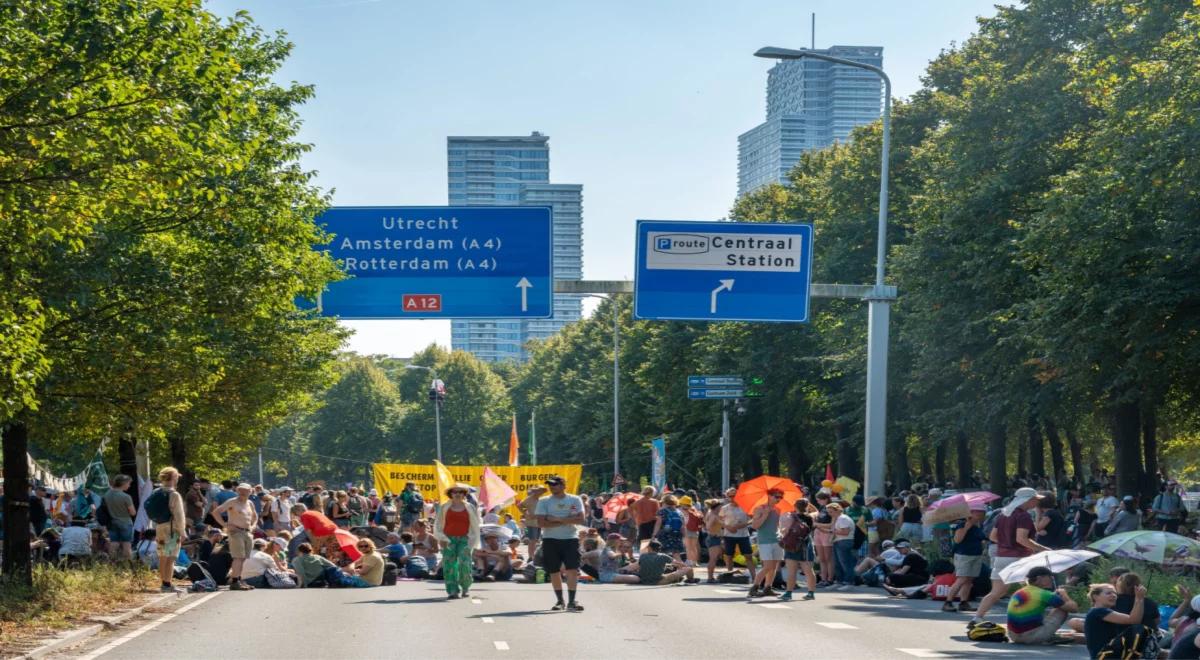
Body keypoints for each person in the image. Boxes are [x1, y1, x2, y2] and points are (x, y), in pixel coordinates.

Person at [972, 487, 1049, 626]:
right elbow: (1022, 539)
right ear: (1028, 500)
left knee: (996, 593)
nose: (1036, 503)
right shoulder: (1024, 516)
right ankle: (1031, 620)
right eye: (1035, 500)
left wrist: (1006, 543)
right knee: (1032, 590)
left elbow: (993, 536)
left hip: (1001, 557)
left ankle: (977, 618)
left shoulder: (1003, 514)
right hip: (1019, 558)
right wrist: (1043, 549)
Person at [535, 476, 586, 612]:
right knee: (554, 571)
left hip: (570, 538)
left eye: (555, 485)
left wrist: (556, 519)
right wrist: (568, 520)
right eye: (550, 485)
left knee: (572, 570)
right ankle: (559, 601)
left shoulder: (574, 499)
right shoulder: (543, 501)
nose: (552, 487)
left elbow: (581, 519)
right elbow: (541, 523)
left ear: (563, 486)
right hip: (550, 538)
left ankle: (571, 601)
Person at [1005, 566, 1079, 644]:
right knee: (1062, 609)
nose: (1052, 580)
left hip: (1013, 636)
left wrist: (1053, 596)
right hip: (1031, 637)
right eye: (1050, 577)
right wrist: (1064, 594)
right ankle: (1046, 636)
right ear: (1040, 578)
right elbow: (1074, 608)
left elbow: (1038, 599)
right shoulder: (1044, 594)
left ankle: (1046, 635)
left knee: (1043, 609)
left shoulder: (1019, 592)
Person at [434, 484, 481, 599]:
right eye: (455, 492)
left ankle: (465, 587)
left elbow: (476, 525)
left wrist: (473, 540)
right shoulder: (444, 507)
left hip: (465, 539)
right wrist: (441, 538)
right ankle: (452, 590)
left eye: (460, 492)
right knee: (449, 565)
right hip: (448, 539)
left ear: (464, 495)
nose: (458, 494)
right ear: (451, 494)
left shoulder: (470, 507)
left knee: (465, 564)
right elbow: (438, 524)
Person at [210, 483, 259, 591]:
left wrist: (253, 526)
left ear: (250, 491)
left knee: (243, 558)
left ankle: (238, 579)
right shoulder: (232, 501)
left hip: (247, 533)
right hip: (235, 532)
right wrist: (225, 525)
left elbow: (255, 516)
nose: (242, 492)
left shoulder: (250, 503)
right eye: (240, 490)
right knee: (238, 557)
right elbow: (216, 512)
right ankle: (235, 581)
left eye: (245, 490)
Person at [1083, 582, 1146, 658]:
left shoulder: (1097, 611)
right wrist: (1139, 599)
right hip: (1105, 656)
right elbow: (1134, 620)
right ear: (1095, 596)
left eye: (1115, 593)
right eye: (1108, 593)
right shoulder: (1099, 611)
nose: (1113, 595)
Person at [943, 504, 986, 613]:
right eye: (979, 512)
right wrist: (967, 526)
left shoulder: (979, 525)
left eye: (982, 512)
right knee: (962, 579)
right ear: (971, 513)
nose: (981, 515)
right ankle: (948, 602)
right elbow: (957, 540)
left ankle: (964, 602)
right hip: (964, 555)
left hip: (975, 555)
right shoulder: (962, 524)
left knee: (969, 580)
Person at [152, 467, 188, 593]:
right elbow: (179, 514)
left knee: (162, 556)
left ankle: (163, 582)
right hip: (172, 529)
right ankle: (167, 584)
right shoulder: (174, 494)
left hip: (160, 527)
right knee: (171, 557)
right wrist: (182, 531)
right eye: (177, 477)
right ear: (173, 478)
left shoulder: (156, 491)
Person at [748, 489, 785, 599]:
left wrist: (781, 533)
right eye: (776, 496)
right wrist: (765, 514)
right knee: (767, 566)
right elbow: (755, 526)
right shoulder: (760, 508)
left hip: (776, 540)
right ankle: (754, 588)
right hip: (764, 541)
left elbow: (776, 526)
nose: (778, 499)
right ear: (769, 496)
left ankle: (768, 588)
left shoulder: (778, 509)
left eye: (780, 497)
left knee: (773, 567)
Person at [779, 497, 817, 602]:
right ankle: (811, 593)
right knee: (809, 570)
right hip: (806, 544)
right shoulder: (810, 517)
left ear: (795, 506)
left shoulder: (790, 517)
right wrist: (809, 504)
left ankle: (788, 593)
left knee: (791, 571)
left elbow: (784, 532)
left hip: (792, 545)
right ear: (807, 506)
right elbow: (816, 511)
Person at [720, 488, 756, 583]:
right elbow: (719, 520)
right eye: (730, 496)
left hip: (743, 535)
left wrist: (743, 524)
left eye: (734, 495)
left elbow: (753, 519)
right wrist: (727, 527)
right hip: (729, 535)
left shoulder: (745, 507)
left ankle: (754, 577)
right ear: (727, 497)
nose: (732, 498)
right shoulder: (724, 508)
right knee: (729, 556)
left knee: (748, 556)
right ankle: (729, 574)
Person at [622, 539, 694, 585]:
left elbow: (639, 567)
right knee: (689, 568)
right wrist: (683, 566)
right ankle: (690, 580)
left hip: (644, 580)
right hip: (659, 581)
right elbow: (677, 563)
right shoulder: (663, 556)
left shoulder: (643, 556)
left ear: (649, 548)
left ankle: (680, 579)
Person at [103, 474, 137, 561]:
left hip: (112, 522)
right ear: (123, 483)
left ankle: (112, 562)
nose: (129, 485)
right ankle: (127, 564)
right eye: (128, 483)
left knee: (114, 542)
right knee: (126, 543)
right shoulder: (126, 497)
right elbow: (133, 512)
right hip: (125, 522)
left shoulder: (106, 495)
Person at [829, 502, 856, 588]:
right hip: (839, 541)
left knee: (845, 562)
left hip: (844, 541)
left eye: (831, 512)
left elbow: (845, 532)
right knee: (838, 563)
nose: (830, 514)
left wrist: (833, 531)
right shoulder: (838, 518)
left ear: (837, 510)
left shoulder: (843, 519)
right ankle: (839, 581)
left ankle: (849, 581)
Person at [651, 494, 686, 563]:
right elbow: (683, 525)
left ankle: (663, 569)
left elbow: (658, 524)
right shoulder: (679, 512)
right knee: (676, 554)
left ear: (664, 502)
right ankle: (683, 568)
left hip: (665, 534)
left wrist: (654, 535)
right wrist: (684, 536)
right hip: (677, 534)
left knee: (662, 553)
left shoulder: (662, 511)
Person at [812, 491, 835, 587]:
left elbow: (831, 525)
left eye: (819, 500)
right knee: (821, 558)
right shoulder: (821, 508)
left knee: (828, 558)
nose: (817, 502)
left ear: (825, 499)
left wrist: (817, 524)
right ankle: (823, 579)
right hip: (818, 533)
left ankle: (830, 579)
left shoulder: (831, 508)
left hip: (826, 533)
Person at [518, 485, 545, 563]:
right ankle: (530, 557)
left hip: (538, 522)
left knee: (535, 540)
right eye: (540, 491)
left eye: (542, 491)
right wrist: (525, 514)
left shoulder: (540, 499)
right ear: (536, 491)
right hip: (531, 522)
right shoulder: (529, 499)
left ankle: (532, 556)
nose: (541, 492)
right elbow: (520, 506)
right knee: (532, 540)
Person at [631, 486, 660, 553]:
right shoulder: (654, 502)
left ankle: (643, 557)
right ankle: (654, 557)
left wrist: (637, 523)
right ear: (652, 493)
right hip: (652, 523)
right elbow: (658, 514)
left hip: (641, 524)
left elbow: (635, 515)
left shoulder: (637, 502)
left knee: (644, 543)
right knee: (653, 542)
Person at [702, 499, 725, 583]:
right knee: (713, 559)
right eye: (720, 507)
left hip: (713, 537)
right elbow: (708, 526)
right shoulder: (713, 515)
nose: (721, 508)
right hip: (713, 537)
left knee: (713, 558)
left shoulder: (710, 512)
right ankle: (710, 577)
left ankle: (710, 577)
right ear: (717, 507)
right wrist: (713, 531)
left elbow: (705, 522)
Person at [679, 496, 703, 568]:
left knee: (688, 547)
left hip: (686, 530)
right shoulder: (694, 510)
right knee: (694, 547)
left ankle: (689, 561)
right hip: (695, 531)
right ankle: (695, 562)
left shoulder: (681, 511)